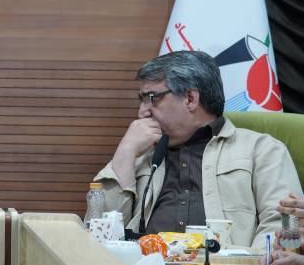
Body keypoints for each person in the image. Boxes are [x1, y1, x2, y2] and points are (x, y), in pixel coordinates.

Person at [94, 50, 299, 247]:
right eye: (142, 100)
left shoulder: (262, 150)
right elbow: (99, 232)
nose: (142, 112)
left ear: (190, 98)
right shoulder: (140, 155)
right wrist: (126, 152)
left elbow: (284, 222)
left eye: (152, 98)